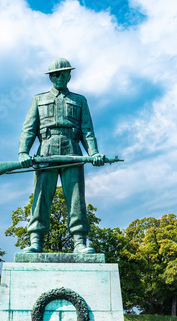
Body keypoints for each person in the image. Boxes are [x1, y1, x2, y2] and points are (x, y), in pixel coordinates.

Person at [19, 58, 104, 253]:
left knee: (76, 199)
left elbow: (87, 130)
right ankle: (36, 242)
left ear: (69, 75)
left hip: (72, 150)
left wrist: (94, 153)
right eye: (56, 74)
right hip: (46, 151)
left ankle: (80, 242)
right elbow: (29, 130)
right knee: (40, 197)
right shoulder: (38, 100)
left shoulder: (80, 100)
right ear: (50, 77)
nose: (60, 77)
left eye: (63, 73)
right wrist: (23, 152)